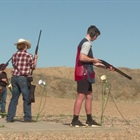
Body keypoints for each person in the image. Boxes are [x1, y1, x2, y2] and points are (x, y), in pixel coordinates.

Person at [70, 25, 113, 127]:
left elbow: (92, 62)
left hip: (86, 73)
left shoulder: (86, 43)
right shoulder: (86, 43)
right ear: (93, 34)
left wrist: (106, 67)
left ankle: (89, 120)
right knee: (81, 95)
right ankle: (75, 120)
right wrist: (93, 60)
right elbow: (82, 58)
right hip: (83, 73)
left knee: (89, 96)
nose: (96, 38)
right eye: (96, 36)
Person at [6, 38, 38, 122]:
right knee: (27, 98)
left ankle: (10, 117)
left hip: (14, 77)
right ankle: (27, 117)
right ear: (25, 46)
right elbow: (33, 67)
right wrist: (35, 59)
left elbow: (14, 65)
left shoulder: (14, 55)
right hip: (23, 78)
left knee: (14, 98)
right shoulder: (28, 55)